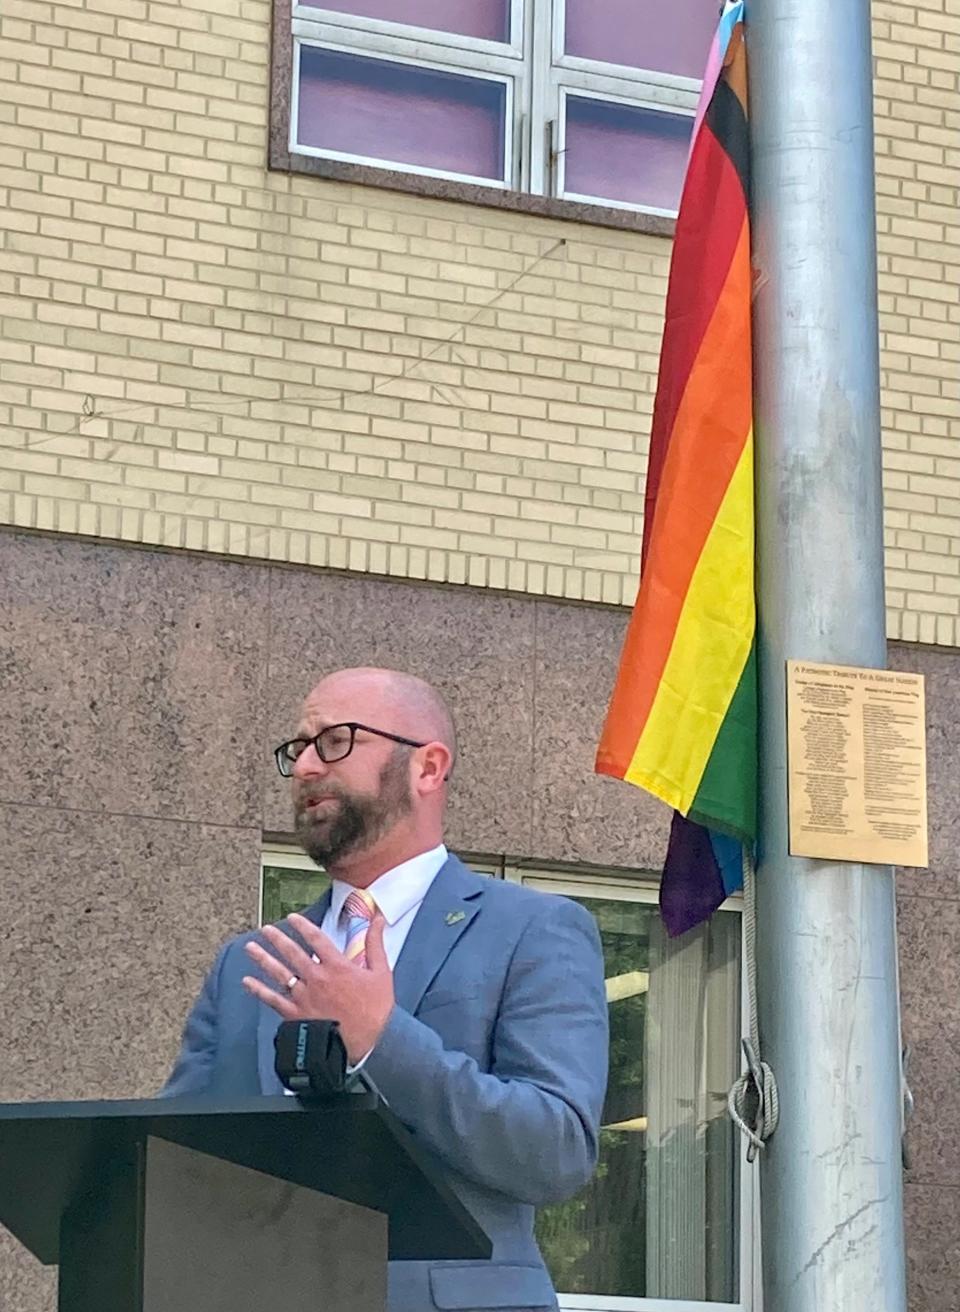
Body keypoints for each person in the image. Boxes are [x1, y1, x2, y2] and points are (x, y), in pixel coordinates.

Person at [163, 667, 609, 1312]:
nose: (306, 767)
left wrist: (381, 1039)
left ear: (428, 768)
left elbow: (555, 1150)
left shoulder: (533, 930)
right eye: (299, 749)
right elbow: (176, 1161)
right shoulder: (247, 965)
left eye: (336, 741)